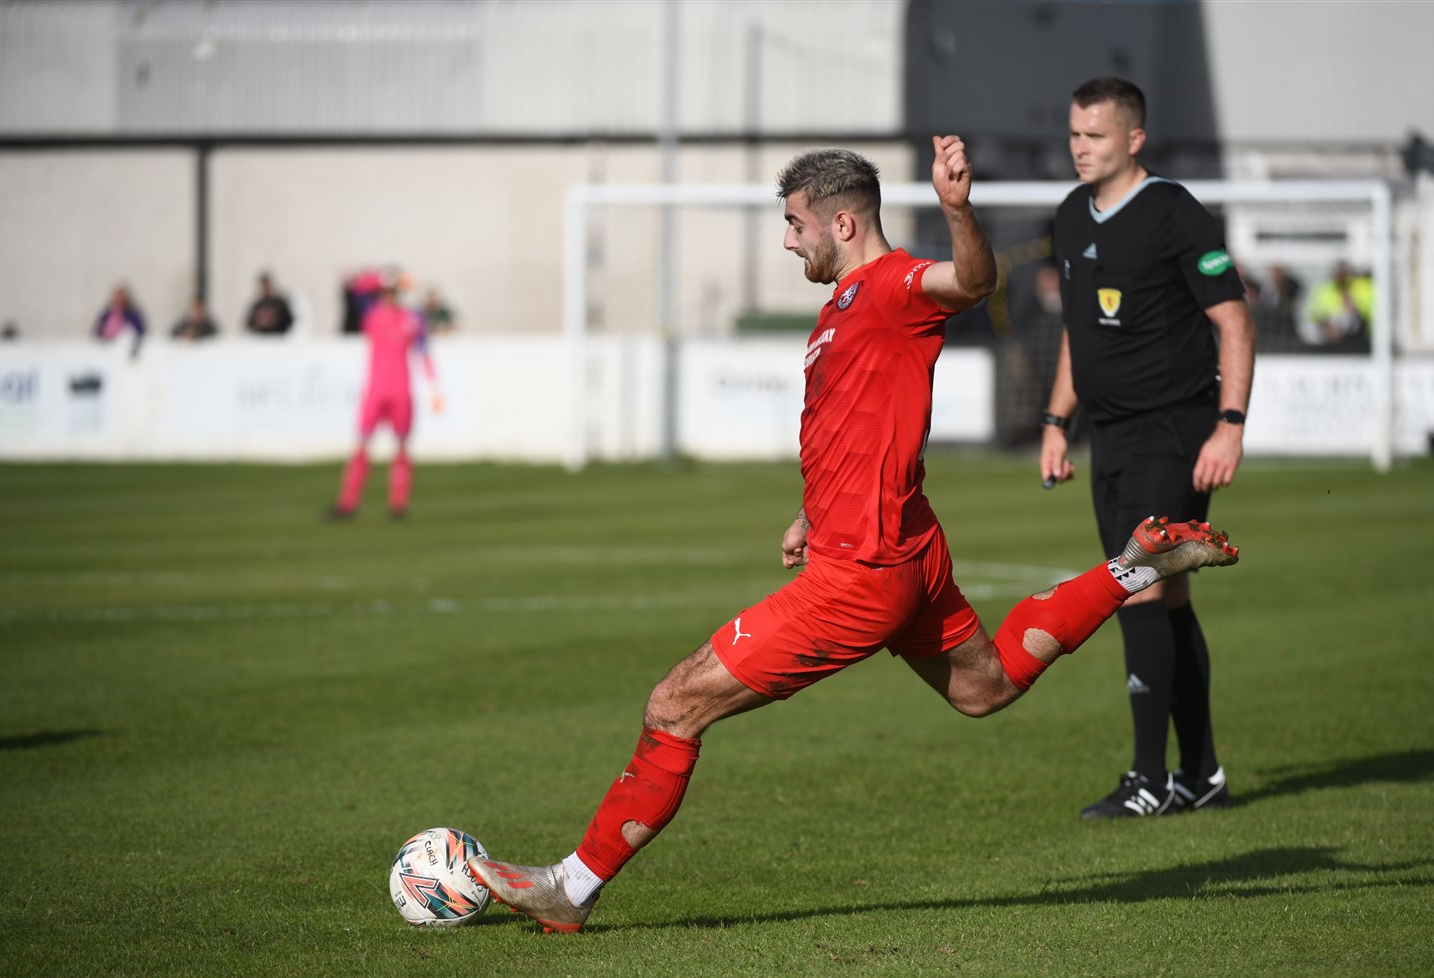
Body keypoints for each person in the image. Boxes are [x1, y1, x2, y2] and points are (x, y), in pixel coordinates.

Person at [466, 138, 1240, 932]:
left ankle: (572, 887)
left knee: (673, 705)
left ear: (842, 221)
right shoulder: (842, 308)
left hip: (861, 572)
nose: (787, 239)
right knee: (986, 687)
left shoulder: (895, 285)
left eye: (796, 224)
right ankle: (1128, 570)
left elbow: (971, 280)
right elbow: (851, 421)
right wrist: (814, 508)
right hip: (903, 548)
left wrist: (957, 209)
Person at [1038, 77, 1255, 819]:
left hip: (1176, 430)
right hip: (1111, 438)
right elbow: (1079, 334)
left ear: (1134, 139)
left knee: (1139, 584)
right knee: (1167, 594)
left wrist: (1230, 423)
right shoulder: (1069, 217)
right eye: (1073, 134)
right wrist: (1055, 421)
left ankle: (1147, 780)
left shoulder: (1173, 213)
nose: (1078, 147)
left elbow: (1234, 320)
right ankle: (1201, 776)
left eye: (1093, 136)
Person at [326, 279, 442, 520]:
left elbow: (424, 351)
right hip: (375, 391)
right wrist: (381, 277)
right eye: (384, 293)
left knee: (401, 446)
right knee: (361, 444)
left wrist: (434, 387)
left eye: (392, 293)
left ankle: (398, 505)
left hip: (401, 391)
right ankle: (348, 503)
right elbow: (352, 290)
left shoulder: (412, 320)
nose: (387, 298)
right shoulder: (372, 317)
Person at [1305, 261, 1373, 350]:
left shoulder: (1362, 287)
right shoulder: (1325, 289)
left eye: (1343, 274)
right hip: (1330, 334)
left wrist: (1354, 310)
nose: (1340, 277)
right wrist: (1328, 328)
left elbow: (1369, 315)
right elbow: (1316, 313)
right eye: (1338, 274)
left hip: (1358, 335)